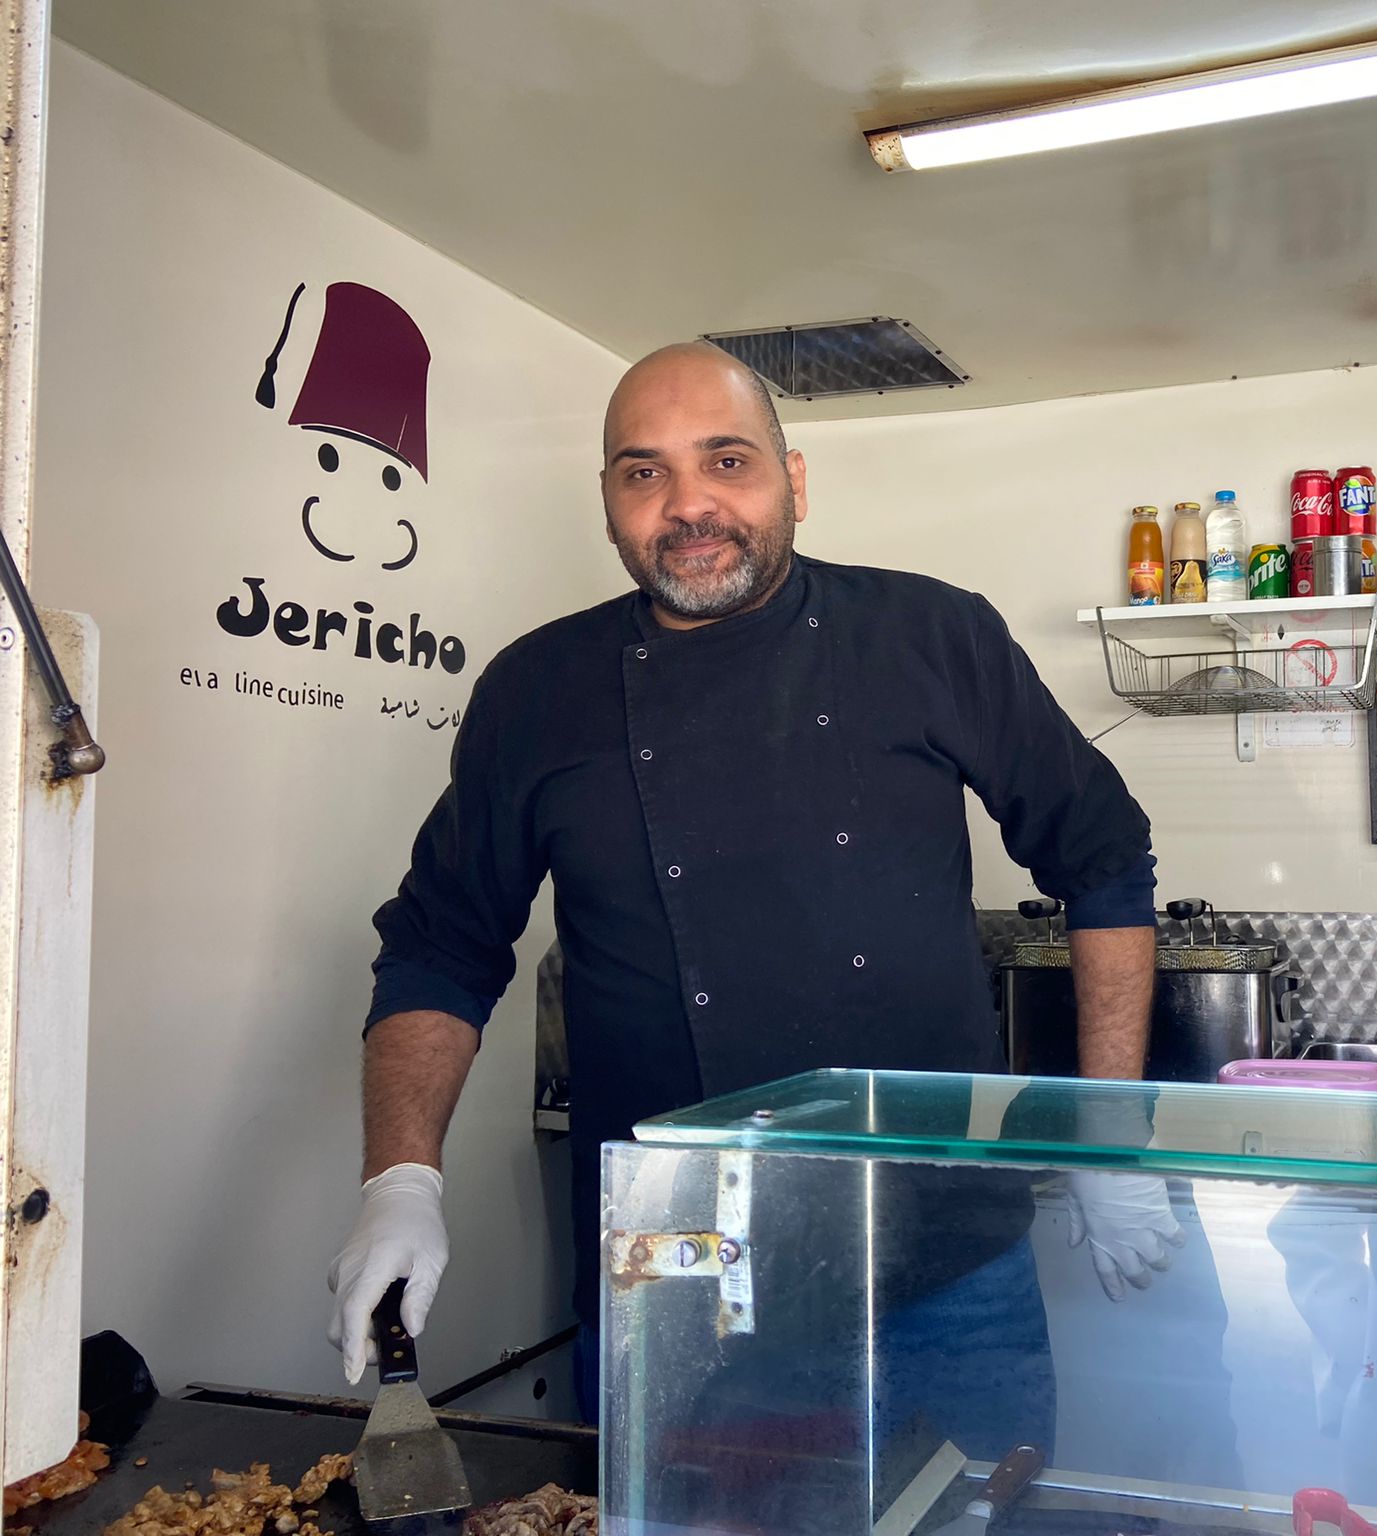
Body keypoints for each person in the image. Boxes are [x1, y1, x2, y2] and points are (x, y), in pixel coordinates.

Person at [326, 343, 1182, 1432]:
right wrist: (399, 1179)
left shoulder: (933, 634)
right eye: (643, 473)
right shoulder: (535, 690)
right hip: (674, 1274)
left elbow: (1102, 860)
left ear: (794, 481)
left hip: (946, 1262)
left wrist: (1107, 1128)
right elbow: (441, 945)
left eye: (726, 461)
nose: (689, 505)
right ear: (606, 505)